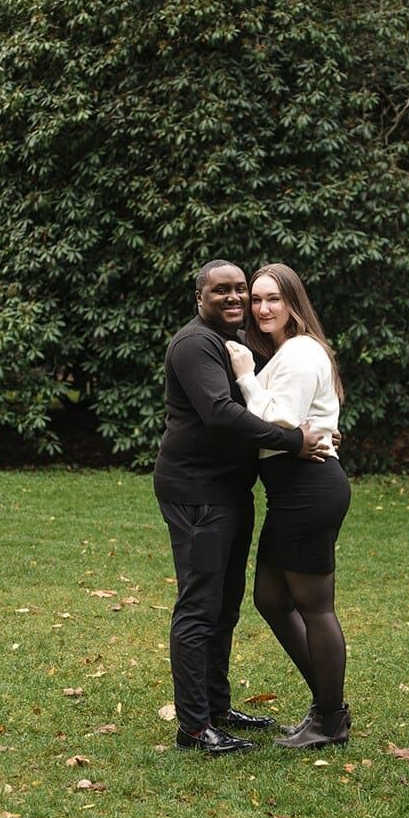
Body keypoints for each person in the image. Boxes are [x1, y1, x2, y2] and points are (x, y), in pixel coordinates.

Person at [154, 260, 331, 755]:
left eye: (242, 291)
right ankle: (193, 728)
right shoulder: (194, 344)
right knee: (199, 607)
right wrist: (291, 440)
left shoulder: (233, 345)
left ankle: (215, 706)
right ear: (199, 298)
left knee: (225, 606)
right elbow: (220, 413)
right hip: (196, 491)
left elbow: (270, 398)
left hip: (230, 491)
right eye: (223, 291)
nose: (236, 300)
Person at [224, 262, 352, 749]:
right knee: (271, 599)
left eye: (272, 298)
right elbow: (307, 418)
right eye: (256, 300)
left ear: (293, 302)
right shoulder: (288, 352)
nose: (261, 308)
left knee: (315, 607)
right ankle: (326, 705)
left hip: (308, 489)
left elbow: (280, 420)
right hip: (292, 491)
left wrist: (244, 377)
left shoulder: (299, 350)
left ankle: (330, 718)